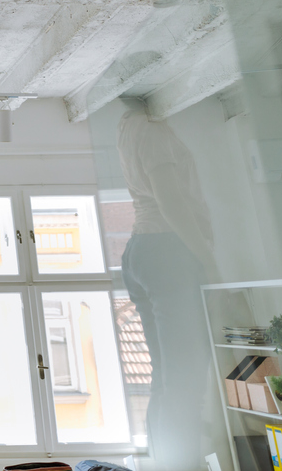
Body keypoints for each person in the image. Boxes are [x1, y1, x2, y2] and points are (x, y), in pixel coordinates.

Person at [117, 101, 218, 471]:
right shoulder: (153, 130)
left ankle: (165, 465)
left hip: (142, 251)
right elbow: (171, 201)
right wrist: (209, 260)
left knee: (168, 379)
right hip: (167, 250)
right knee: (186, 382)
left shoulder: (128, 126)